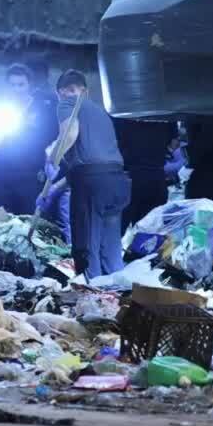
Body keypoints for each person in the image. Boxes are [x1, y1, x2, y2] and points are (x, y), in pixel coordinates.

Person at [50, 70, 130, 279]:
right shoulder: (102, 112)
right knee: (112, 250)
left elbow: (70, 133)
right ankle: (120, 299)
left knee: (87, 249)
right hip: (118, 182)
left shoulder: (68, 103)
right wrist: (54, 187)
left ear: (61, 92)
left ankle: (92, 299)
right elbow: (94, 156)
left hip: (92, 184)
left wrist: (53, 159)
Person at [0, 64, 58, 215]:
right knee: (1, 224)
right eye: (12, 85)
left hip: (30, 177)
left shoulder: (42, 109)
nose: (16, 89)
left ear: (29, 85)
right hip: (2, 177)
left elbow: (53, 138)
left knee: (27, 224)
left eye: (20, 85)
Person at [113, 117, 178, 230]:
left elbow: (112, 142)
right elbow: (174, 143)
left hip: (129, 177)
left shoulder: (121, 108)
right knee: (150, 235)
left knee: (118, 234)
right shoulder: (164, 110)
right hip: (156, 177)